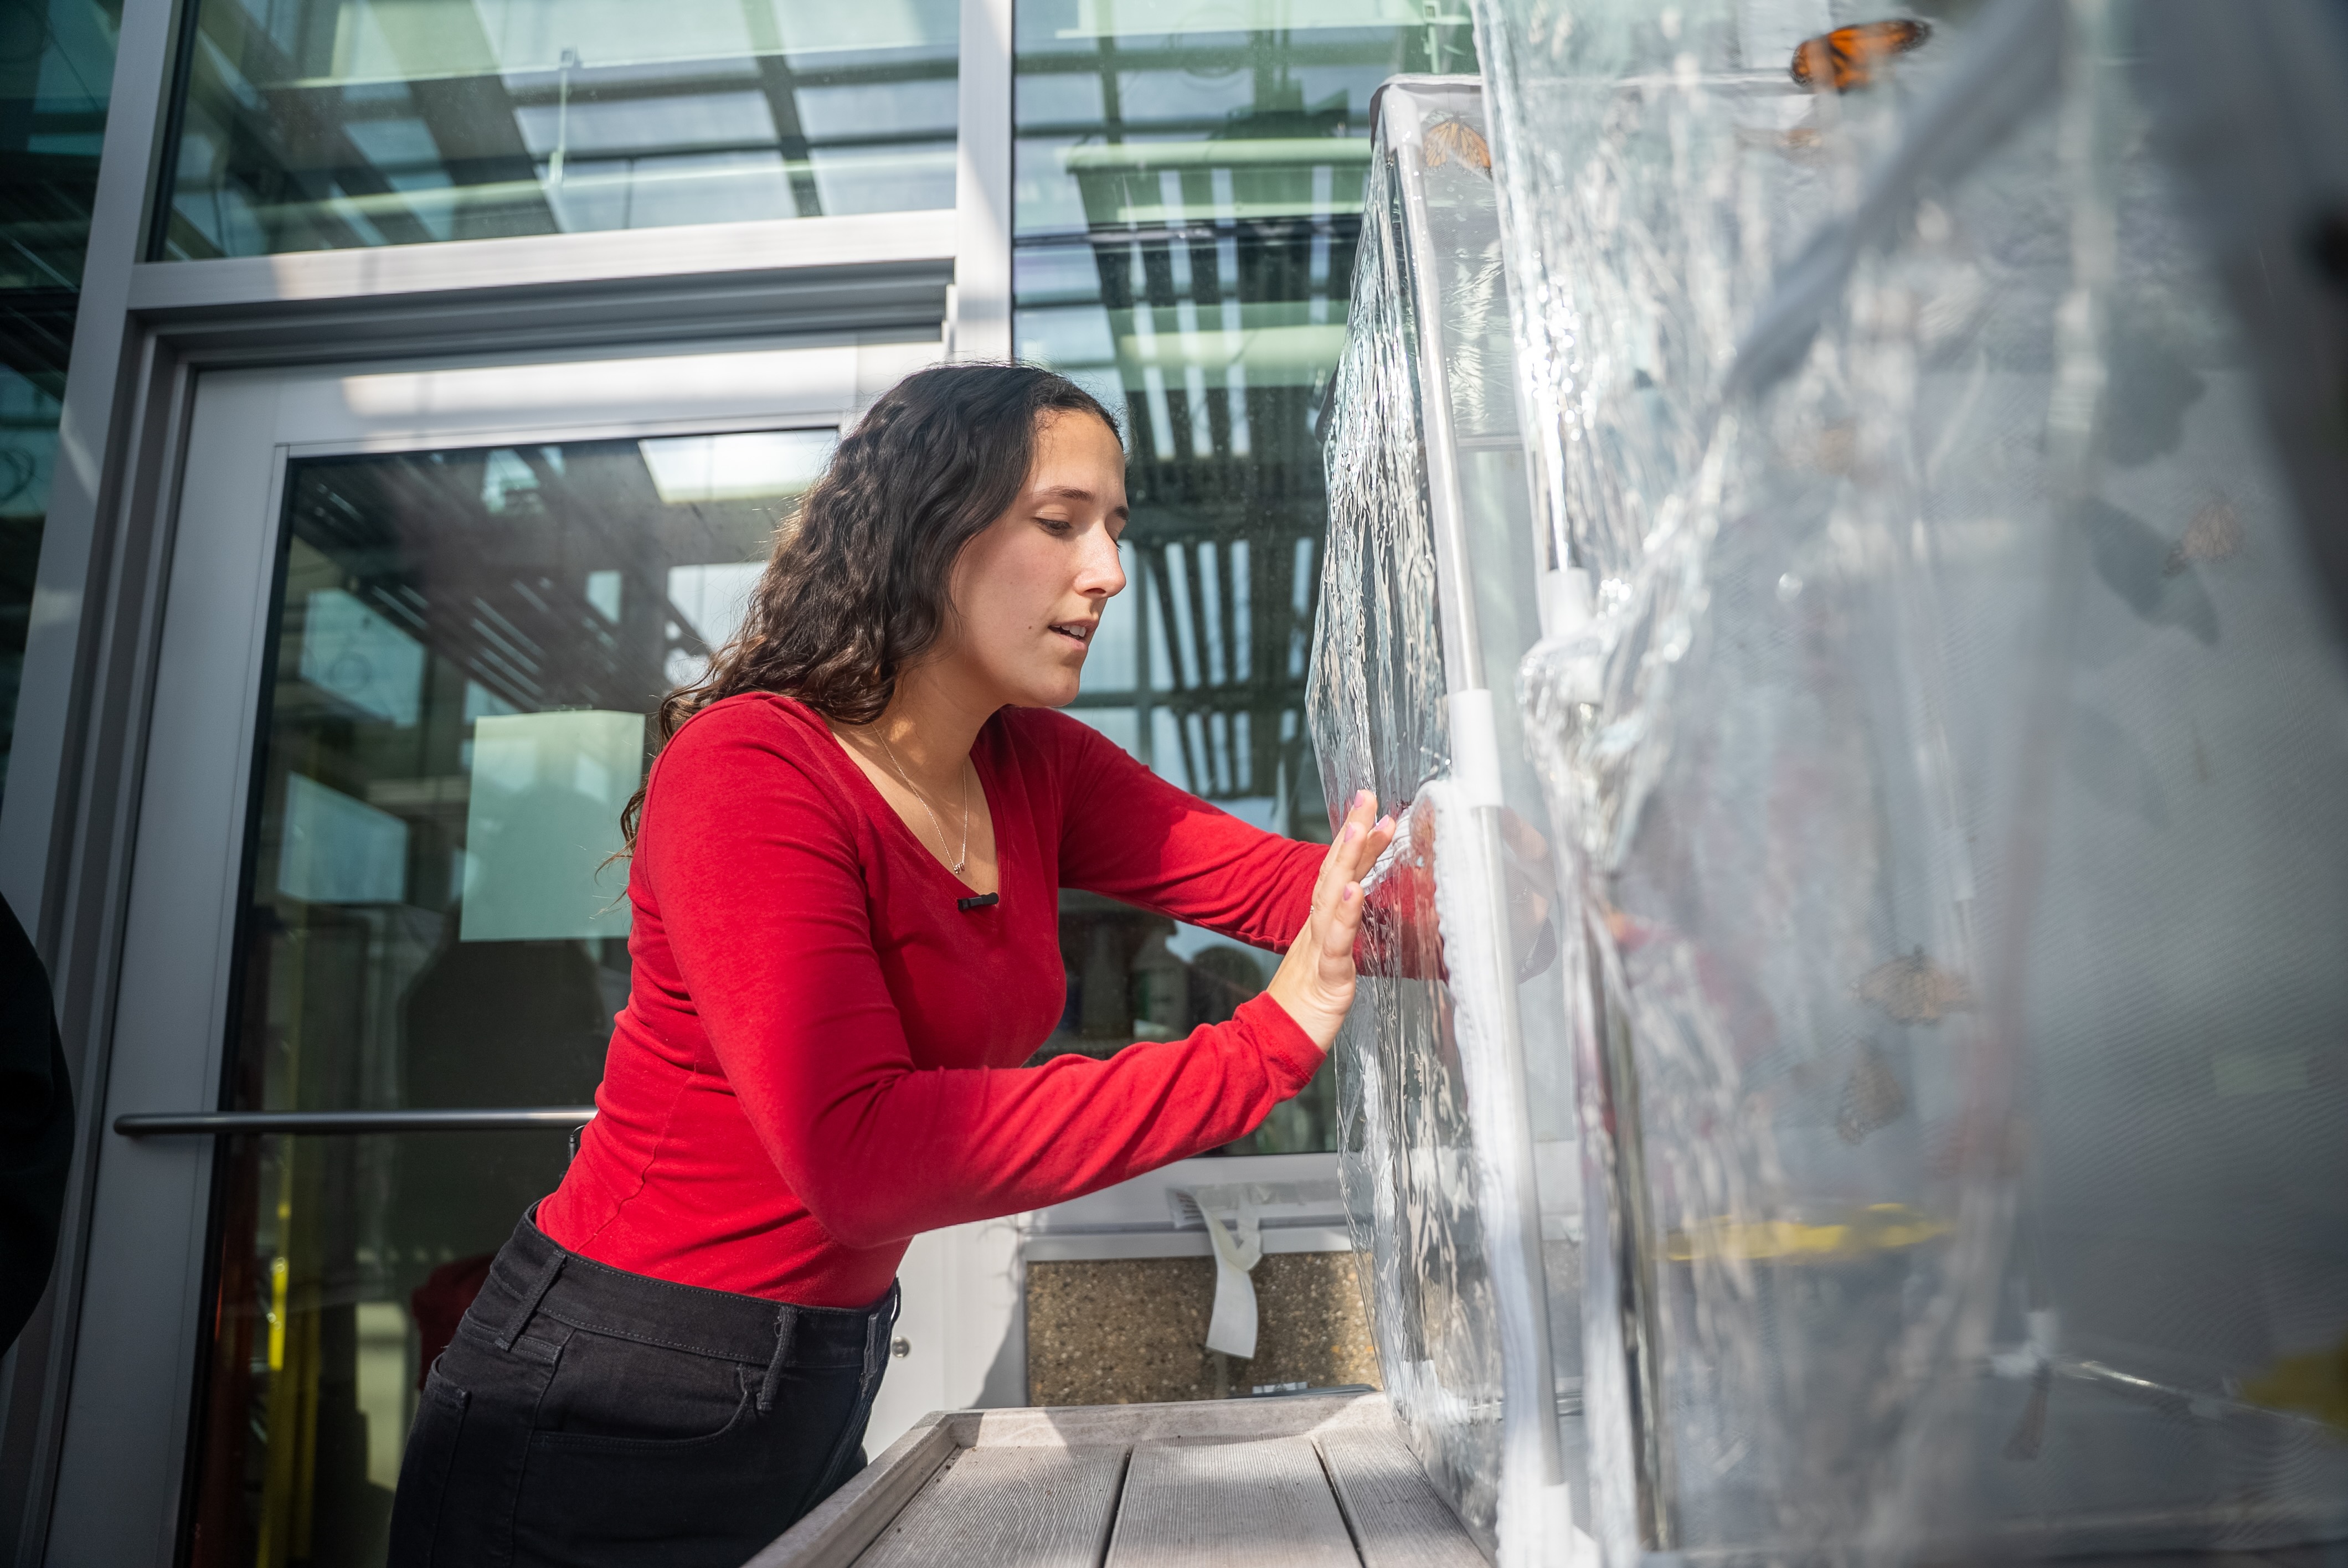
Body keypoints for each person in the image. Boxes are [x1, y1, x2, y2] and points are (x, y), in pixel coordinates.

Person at [388, 363, 1396, 1567]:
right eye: (1060, 524)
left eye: (1115, 530)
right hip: (604, 1392)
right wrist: (1263, 1048)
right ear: (931, 531)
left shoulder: (1035, 769)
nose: (1107, 574)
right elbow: (856, 1156)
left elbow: (1304, 892)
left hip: (812, 1372)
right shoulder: (751, 771)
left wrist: (1536, 892)